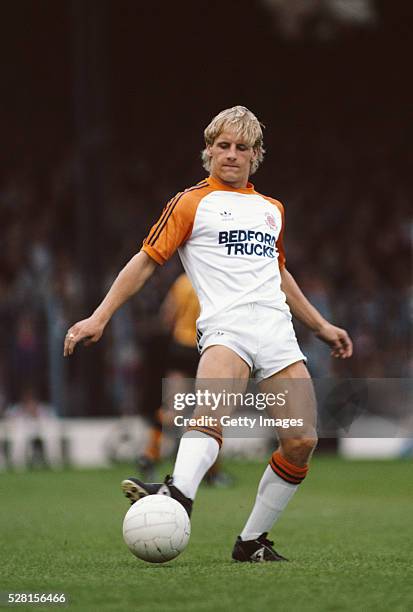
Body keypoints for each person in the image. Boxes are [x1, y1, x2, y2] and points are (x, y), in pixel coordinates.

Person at [64, 106, 352, 562]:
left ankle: (251, 541)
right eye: (223, 146)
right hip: (226, 328)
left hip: (276, 332)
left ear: (256, 155)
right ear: (208, 151)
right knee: (209, 412)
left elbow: (278, 272)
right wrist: (99, 316)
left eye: (242, 148)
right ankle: (178, 495)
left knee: (301, 441)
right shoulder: (190, 202)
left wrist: (320, 325)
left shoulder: (270, 210)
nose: (231, 155)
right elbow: (145, 261)